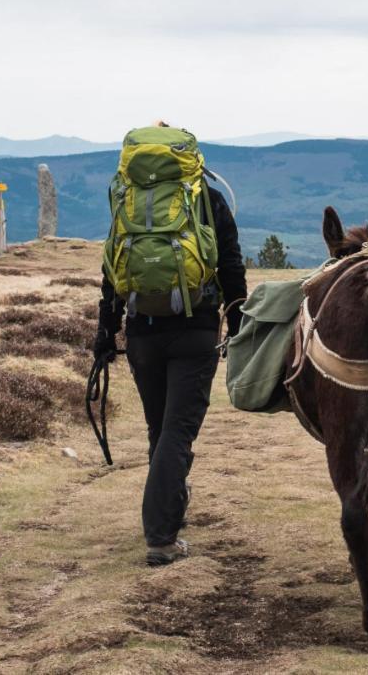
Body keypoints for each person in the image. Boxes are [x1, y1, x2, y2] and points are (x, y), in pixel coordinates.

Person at [94, 122, 246, 566]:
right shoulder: (207, 199)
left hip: (142, 329)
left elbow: (112, 267)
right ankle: (161, 537)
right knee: (178, 431)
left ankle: (170, 512)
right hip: (196, 327)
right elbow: (231, 266)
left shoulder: (128, 203)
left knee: (160, 428)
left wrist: (107, 331)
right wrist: (236, 325)